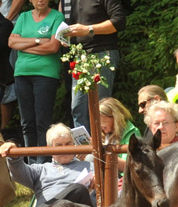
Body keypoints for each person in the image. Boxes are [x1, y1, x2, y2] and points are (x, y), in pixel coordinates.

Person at [8, 0, 62, 162]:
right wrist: (38, 40)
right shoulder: (23, 17)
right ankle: (31, 165)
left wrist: (23, 44)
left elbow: (53, 47)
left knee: (42, 122)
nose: (40, 0)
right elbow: (11, 42)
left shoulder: (57, 16)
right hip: (22, 73)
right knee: (27, 122)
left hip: (46, 74)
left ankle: (42, 164)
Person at [62, 0, 126, 132]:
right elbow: (74, 28)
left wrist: (88, 29)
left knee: (101, 107)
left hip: (102, 53)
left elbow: (119, 21)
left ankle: (102, 147)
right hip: (80, 57)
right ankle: (84, 149)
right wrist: (66, 37)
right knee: (78, 107)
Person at [99, 96, 140, 173]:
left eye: (102, 119)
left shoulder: (132, 133)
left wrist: (104, 154)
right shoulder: (104, 133)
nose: (100, 125)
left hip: (122, 179)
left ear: (115, 117)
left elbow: (130, 166)